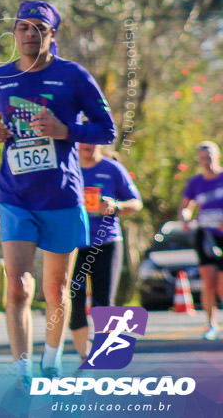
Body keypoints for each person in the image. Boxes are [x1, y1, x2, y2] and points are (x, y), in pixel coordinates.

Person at [0, 0, 116, 387]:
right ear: (14, 33)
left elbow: (107, 130)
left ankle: (51, 360)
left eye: (39, 27)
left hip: (61, 197)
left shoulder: (73, 76)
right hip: (15, 195)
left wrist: (66, 130)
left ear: (53, 34)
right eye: (23, 27)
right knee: (18, 284)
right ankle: (22, 368)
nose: (30, 34)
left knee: (56, 289)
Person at [68, 144, 142, 361]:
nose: (87, 146)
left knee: (104, 301)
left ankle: (105, 355)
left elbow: (136, 203)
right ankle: (84, 354)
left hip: (107, 241)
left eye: (91, 141)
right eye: (82, 141)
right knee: (75, 298)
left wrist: (115, 205)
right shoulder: (68, 168)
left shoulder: (112, 168)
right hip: (74, 243)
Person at [180, 140, 223, 340]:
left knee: (222, 284)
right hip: (206, 235)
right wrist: (185, 217)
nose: (207, 161)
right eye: (203, 158)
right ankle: (211, 324)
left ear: (218, 156)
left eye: (210, 157)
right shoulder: (195, 182)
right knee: (209, 282)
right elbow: (186, 206)